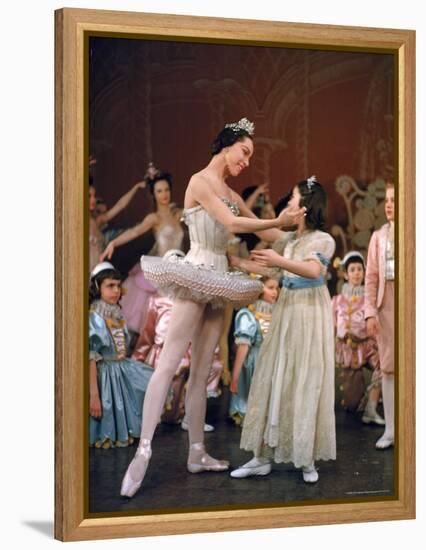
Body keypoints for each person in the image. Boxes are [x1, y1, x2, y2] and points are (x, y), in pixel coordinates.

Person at [120, 117, 306, 497]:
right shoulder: (199, 182)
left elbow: (266, 231)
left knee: (203, 371)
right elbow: (231, 221)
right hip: (197, 274)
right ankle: (143, 451)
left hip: (220, 277)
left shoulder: (232, 191)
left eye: (251, 155)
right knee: (170, 362)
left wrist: (301, 220)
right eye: (245, 151)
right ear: (227, 145)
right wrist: (277, 219)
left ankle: (197, 453)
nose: (247, 160)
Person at [230, 176, 336, 484]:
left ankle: (306, 458)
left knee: (305, 377)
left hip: (308, 312)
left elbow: (314, 271)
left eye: (292, 198)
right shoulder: (290, 242)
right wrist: (240, 263)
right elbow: (274, 269)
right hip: (287, 311)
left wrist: (279, 260)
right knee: (275, 375)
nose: (288, 203)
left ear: (305, 204)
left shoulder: (322, 240)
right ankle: (261, 456)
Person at [100, 170, 185, 335]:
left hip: (179, 270)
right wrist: (114, 242)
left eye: (166, 190)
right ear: (154, 194)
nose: (164, 194)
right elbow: (135, 232)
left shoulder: (177, 214)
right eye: (159, 191)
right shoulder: (154, 218)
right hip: (161, 271)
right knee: (161, 322)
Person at [88, 262, 153, 448]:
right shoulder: (94, 317)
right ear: (97, 287)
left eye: (118, 285)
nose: (116, 290)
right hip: (104, 375)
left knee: (151, 382)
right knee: (108, 406)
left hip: (120, 368)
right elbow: (91, 357)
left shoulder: (116, 313)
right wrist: (94, 395)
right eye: (110, 286)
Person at [331, 251, 384, 423]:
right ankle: (359, 398)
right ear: (345, 274)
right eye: (352, 270)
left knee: (385, 366)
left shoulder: (369, 300)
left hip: (367, 347)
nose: (356, 273)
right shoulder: (337, 301)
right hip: (348, 351)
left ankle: (371, 406)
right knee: (352, 406)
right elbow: (331, 327)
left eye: (359, 269)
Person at [365, 182, 395, 450]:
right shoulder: (379, 237)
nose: (389, 204)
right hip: (387, 306)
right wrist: (370, 312)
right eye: (387, 199)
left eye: (395, 200)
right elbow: (371, 278)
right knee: (388, 367)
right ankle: (390, 429)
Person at [229, 276, 279, 426]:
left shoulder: (277, 312)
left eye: (276, 288)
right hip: (255, 361)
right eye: (270, 288)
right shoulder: (248, 315)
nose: (275, 292)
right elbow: (243, 347)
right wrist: (235, 377)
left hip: (273, 360)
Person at [89, 178, 145, 272]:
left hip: (98, 269)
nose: (93, 200)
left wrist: (136, 187)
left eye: (94, 196)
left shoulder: (97, 220)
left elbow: (120, 206)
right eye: (89, 196)